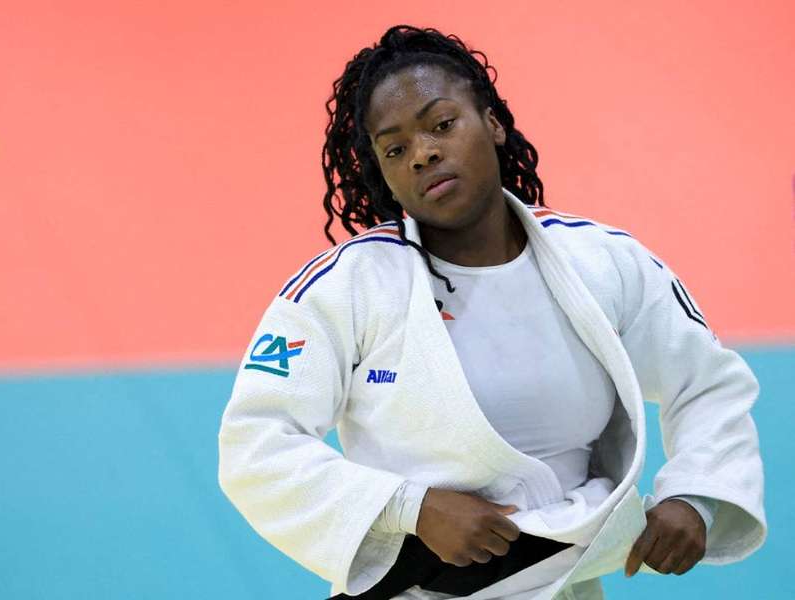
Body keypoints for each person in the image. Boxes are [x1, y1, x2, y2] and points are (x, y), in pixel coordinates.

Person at [217, 24, 767, 600]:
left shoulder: (603, 262)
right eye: (395, 149)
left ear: (494, 124)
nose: (424, 153)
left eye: (442, 124)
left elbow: (707, 383)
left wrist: (696, 495)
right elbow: (256, 445)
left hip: (563, 586)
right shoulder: (345, 288)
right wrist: (415, 508)